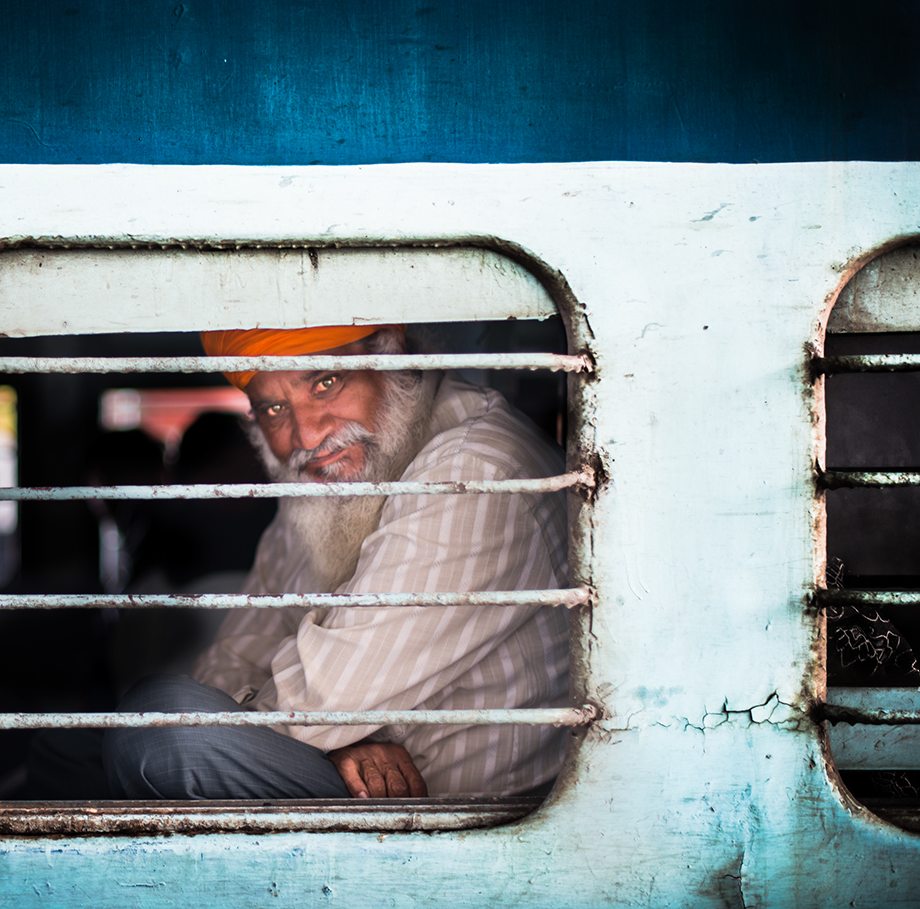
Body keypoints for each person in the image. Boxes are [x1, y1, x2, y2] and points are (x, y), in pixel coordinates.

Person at [90, 323, 572, 800]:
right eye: (274, 409)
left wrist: (328, 730)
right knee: (69, 749)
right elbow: (230, 659)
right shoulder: (318, 484)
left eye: (325, 382)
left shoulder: (477, 471)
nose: (306, 434)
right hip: (345, 780)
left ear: (389, 354)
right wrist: (338, 741)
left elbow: (324, 700)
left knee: (158, 729)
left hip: (450, 817)